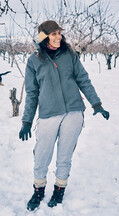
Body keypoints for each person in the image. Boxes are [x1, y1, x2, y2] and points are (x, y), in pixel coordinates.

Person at [19, 20, 110, 211]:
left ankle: (59, 190)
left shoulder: (69, 55)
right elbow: (32, 93)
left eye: (59, 33)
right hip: (48, 114)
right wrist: (27, 121)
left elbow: (83, 80)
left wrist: (96, 103)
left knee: (64, 156)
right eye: (53, 34)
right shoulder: (34, 60)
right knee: (42, 156)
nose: (58, 37)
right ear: (44, 37)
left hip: (73, 112)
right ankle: (38, 190)